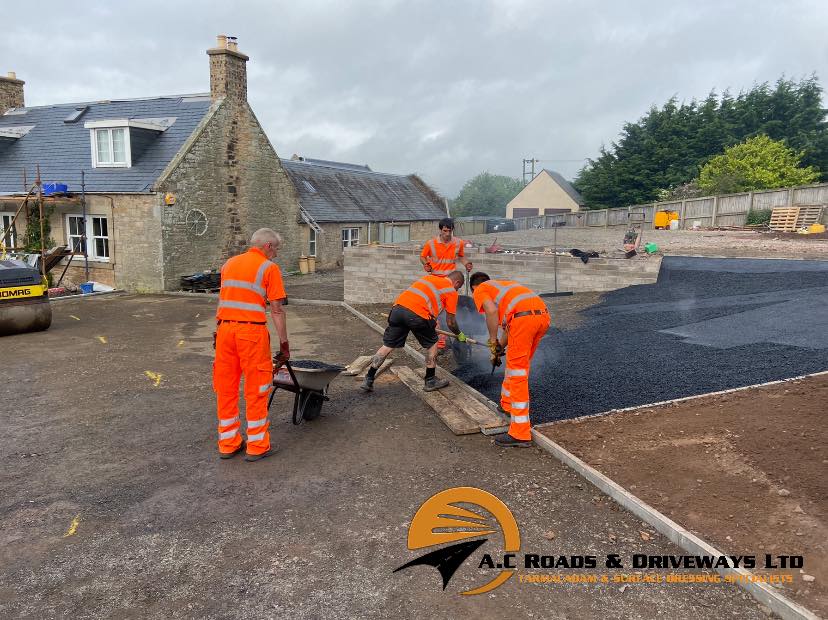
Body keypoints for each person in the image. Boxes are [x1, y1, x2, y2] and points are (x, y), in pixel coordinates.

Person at [213, 228, 289, 462]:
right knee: (257, 388)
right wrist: (284, 344)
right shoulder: (269, 268)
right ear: (267, 246)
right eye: (276, 249)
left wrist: (218, 331)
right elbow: (276, 309)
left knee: (226, 387)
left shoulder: (229, 264)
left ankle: (228, 443)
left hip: (225, 330)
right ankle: (257, 445)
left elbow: (223, 299)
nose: (276, 254)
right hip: (251, 332)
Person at [470, 272, 550, 448]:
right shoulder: (505, 288)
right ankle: (507, 405)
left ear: (474, 287)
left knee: (517, 374)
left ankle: (520, 433)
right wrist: (500, 347)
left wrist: (492, 341)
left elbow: (491, 311)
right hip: (542, 317)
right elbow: (510, 323)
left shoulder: (480, 288)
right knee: (517, 367)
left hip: (524, 321)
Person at [361, 270, 467, 393]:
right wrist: (459, 334)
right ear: (457, 282)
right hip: (418, 316)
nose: (457, 290)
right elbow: (451, 322)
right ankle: (430, 381)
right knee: (433, 345)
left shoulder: (429, 278)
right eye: (458, 287)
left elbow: (426, 302)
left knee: (387, 346)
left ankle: (368, 378)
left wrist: (430, 326)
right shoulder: (451, 291)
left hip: (398, 310)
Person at [419, 218, 473, 350]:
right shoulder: (431, 243)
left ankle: (449, 338)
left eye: (450, 231)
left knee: (449, 313)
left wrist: (466, 263)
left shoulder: (458, 243)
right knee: (434, 313)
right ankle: (440, 343)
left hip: (450, 283)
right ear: (440, 230)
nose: (447, 234)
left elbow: (461, 256)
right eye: (445, 231)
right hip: (435, 283)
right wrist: (426, 264)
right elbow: (422, 256)